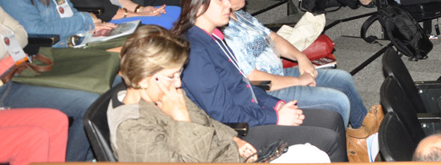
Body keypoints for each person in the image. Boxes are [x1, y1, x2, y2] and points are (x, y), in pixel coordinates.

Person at [173, 0, 347, 161]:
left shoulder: (214, 37)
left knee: (333, 120)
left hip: (253, 113)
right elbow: (222, 113)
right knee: (330, 140)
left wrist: (277, 105)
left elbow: (244, 86)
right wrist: (275, 117)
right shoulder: (195, 50)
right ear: (198, 5)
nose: (229, 5)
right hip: (239, 131)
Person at [109, 25, 328, 163]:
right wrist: (182, 119)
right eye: (172, 76)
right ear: (143, 78)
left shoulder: (161, 93)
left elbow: (208, 122)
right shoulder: (132, 129)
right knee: (317, 152)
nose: (178, 83)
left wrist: (233, 138)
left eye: (179, 74)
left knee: (317, 150)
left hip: (230, 153)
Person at [215, 0, 369, 132]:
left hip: (279, 74)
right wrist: (298, 81)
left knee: (343, 79)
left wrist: (300, 57)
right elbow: (254, 79)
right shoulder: (224, 32)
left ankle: (365, 130)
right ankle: (347, 149)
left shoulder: (241, 15)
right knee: (339, 101)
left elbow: (272, 38)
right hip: (267, 91)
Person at [0, 0, 94, 162]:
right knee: (89, 104)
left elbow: (20, 32)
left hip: (21, 70)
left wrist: (6, 38)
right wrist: (6, 36)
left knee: (59, 120)